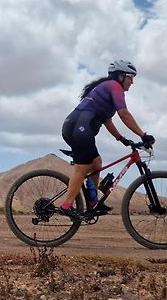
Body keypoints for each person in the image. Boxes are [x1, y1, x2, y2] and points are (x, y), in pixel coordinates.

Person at [59, 59, 155, 220]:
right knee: (83, 168)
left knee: (96, 163)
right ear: (121, 76)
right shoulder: (114, 86)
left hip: (78, 129)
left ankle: (93, 202)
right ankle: (66, 206)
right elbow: (124, 114)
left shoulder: (108, 90)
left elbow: (107, 120)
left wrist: (121, 139)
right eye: (131, 76)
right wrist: (143, 135)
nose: (133, 81)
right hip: (78, 129)